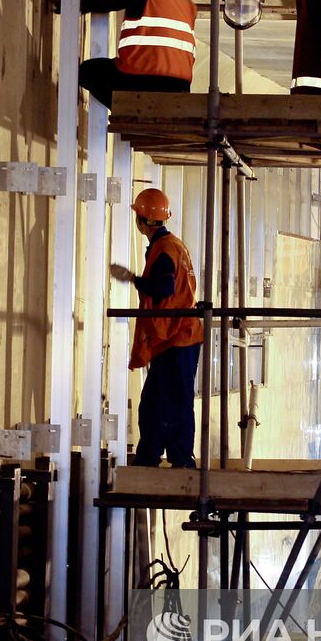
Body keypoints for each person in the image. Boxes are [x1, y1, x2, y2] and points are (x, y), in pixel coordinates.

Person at [111, 188, 204, 468]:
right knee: (165, 399)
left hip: (175, 336)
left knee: (161, 401)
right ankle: (167, 455)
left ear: (141, 221)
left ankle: (164, 457)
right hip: (180, 335)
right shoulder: (175, 245)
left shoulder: (164, 249)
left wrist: (132, 279)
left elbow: (165, 287)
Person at [79, 0, 196, 110]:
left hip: (142, 77)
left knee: (89, 72)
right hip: (179, 88)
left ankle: (126, 109)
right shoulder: (186, 1)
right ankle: (131, 110)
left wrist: (71, 0)